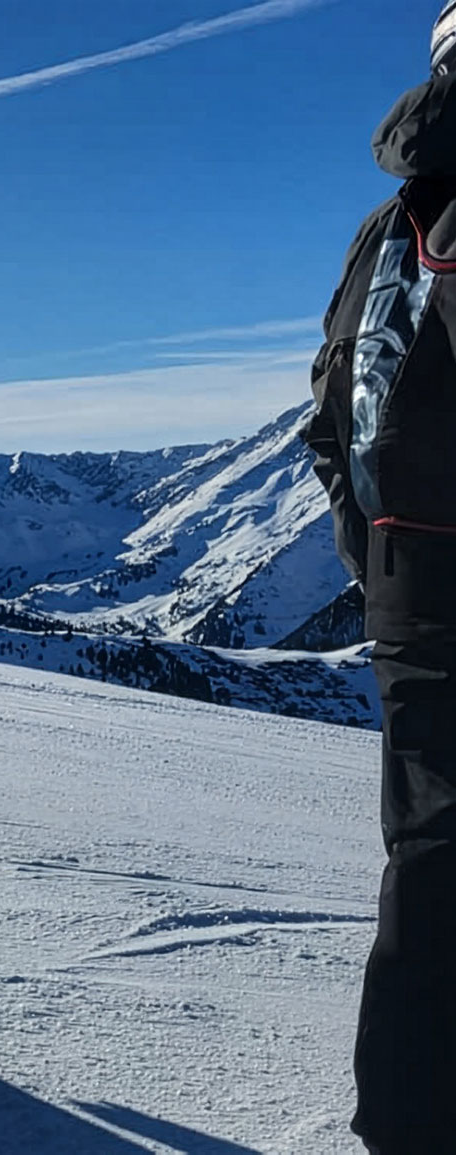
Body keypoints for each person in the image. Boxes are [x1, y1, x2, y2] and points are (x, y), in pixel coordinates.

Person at [303, 7, 456, 1149]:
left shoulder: (385, 228)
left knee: (433, 863)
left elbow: (327, 419)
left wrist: (378, 562)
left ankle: (403, 1124)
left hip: (413, 582)